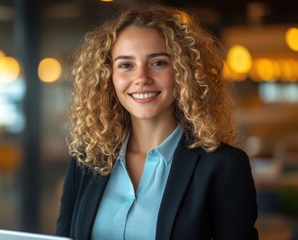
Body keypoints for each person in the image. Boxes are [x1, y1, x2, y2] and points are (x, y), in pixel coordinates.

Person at [55, 4, 258, 240]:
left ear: (184, 72)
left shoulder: (224, 166)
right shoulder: (86, 160)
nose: (141, 78)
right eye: (126, 65)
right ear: (108, 77)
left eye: (158, 62)